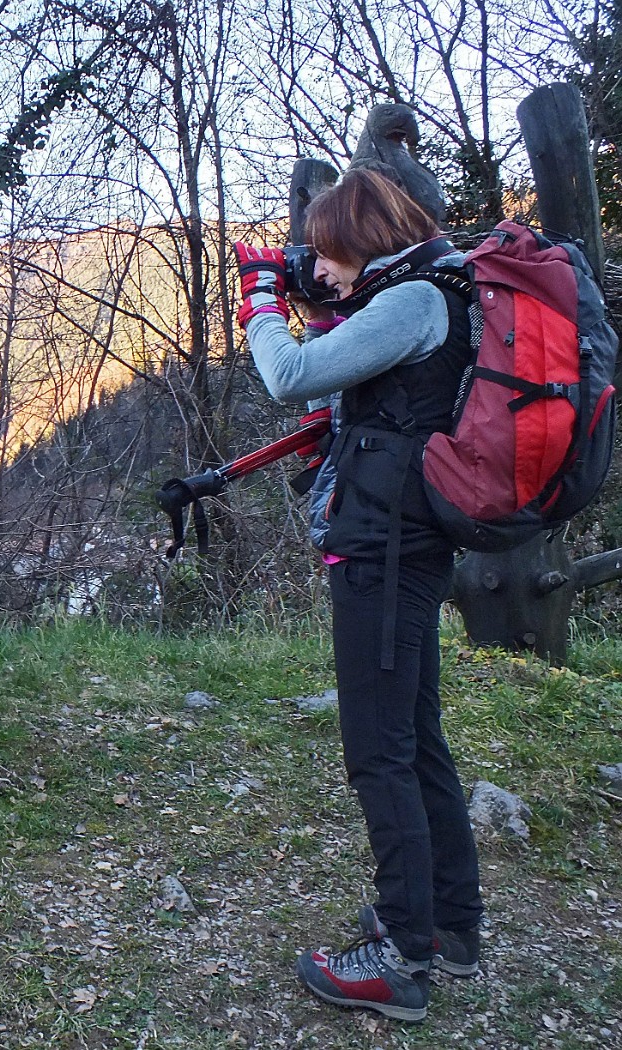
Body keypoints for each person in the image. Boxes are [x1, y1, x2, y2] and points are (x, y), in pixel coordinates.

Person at [234, 167, 484, 1023]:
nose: (322, 268)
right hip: (407, 541)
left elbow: (290, 377)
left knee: (379, 753)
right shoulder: (436, 287)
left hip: (385, 550)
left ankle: (401, 956)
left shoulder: (414, 299)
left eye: (327, 251)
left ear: (363, 236)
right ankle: (450, 928)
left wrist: (262, 304)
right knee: (416, 741)